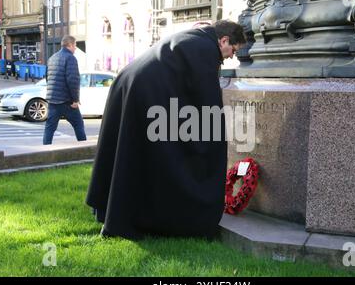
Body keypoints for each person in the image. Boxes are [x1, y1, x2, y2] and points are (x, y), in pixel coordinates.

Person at [86, 20, 246, 240]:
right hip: (142, 89)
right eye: (233, 50)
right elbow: (207, 103)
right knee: (138, 153)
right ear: (224, 40)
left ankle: (113, 211)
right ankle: (132, 218)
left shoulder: (195, 38)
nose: (231, 56)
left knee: (129, 152)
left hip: (128, 83)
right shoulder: (207, 49)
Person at [43, 35, 87, 145]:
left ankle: (45, 149)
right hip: (66, 101)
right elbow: (73, 80)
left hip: (53, 100)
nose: (75, 48)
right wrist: (75, 100)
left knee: (50, 128)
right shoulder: (70, 58)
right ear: (70, 45)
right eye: (75, 45)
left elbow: (48, 78)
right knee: (78, 124)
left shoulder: (52, 57)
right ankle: (83, 148)